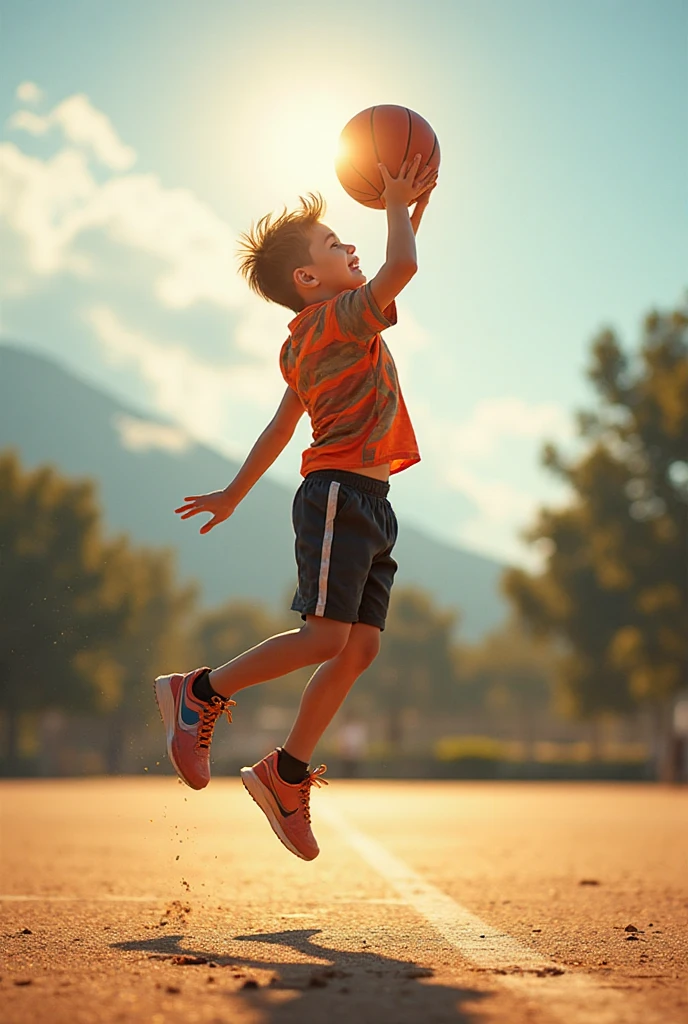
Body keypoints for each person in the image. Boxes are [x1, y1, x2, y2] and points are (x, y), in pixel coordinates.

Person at [155, 154, 437, 861]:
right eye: (335, 244)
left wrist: (233, 494)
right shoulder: (337, 319)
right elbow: (400, 269)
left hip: (370, 501)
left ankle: (283, 774)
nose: (352, 247)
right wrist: (398, 203)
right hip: (341, 493)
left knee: (358, 647)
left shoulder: (316, 336)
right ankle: (199, 691)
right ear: (309, 281)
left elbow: (283, 427)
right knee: (322, 639)